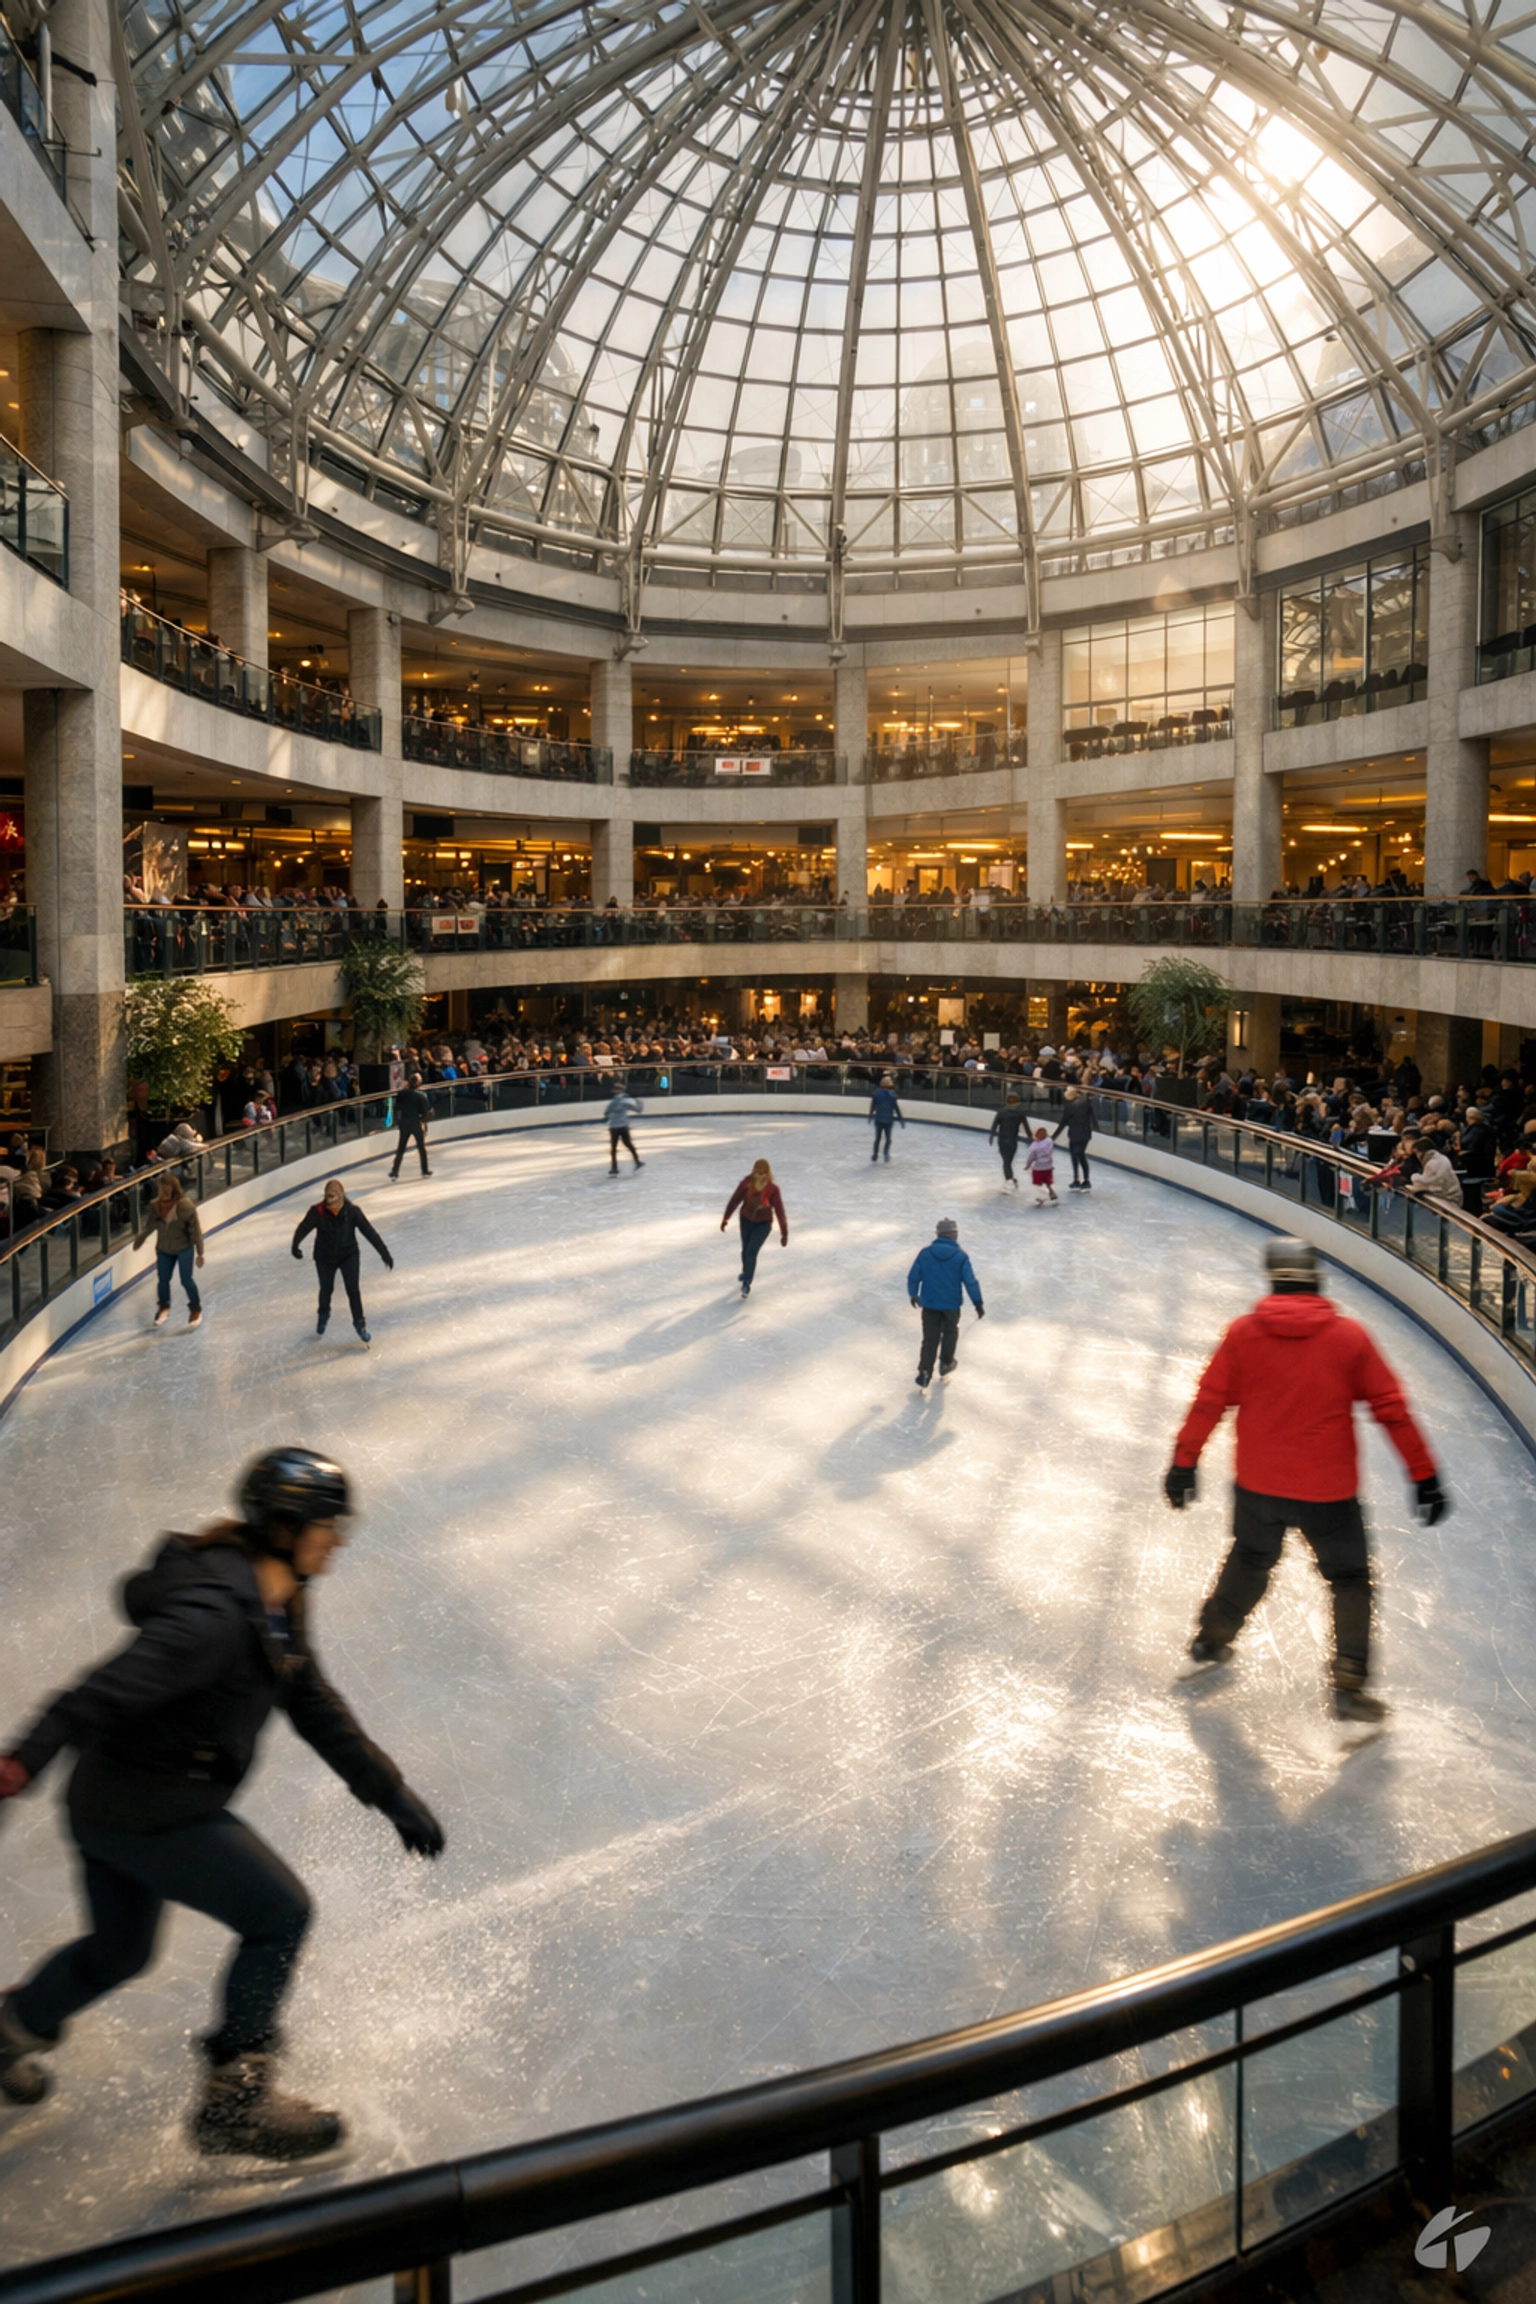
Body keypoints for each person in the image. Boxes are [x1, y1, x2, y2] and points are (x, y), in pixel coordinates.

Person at [0, 1449, 444, 2156]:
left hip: (112, 1802)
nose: (339, 1539)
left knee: (117, 1952)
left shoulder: (278, 1596)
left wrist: (388, 1792)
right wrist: (16, 1769)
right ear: (285, 1526)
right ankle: (234, 2104)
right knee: (280, 1913)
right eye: (328, 1526)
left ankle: (6, 2033)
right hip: (152, 1809)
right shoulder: (214, 1617)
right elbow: (93, 1697)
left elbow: (312, 1701)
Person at [1164, 1236, 1446, 1723]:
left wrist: (1184, 1462)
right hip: (1328, 1492)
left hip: (1258, 1485)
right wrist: (1424, 1476)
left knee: (1251, 1558)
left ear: (1274, 1279)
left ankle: (1213, 1637)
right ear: (1315, 1278)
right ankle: (1350, 1680)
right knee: (1350, 1578)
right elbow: (1391, 1410)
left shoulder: (1244, 1334)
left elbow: (1209, 1401)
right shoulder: (1350, 1337)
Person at [291, 1179, 394, 1344]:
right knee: (326, 1289)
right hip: (324, 1257)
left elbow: (369, 1232)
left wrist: (384, 1253)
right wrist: (295, 1244)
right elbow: (304, 1227)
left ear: (342, 1199)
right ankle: (323, 1315)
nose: (333, 1209)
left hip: (349, 1255)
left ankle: (360, 1324)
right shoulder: (317, 1212)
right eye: (330, 1206)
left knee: (353, 1290)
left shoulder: (352, 1212)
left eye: (336, 1206)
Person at [907, 1216, 984, 1389]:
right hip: (951, 1305)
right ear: (954, 1235)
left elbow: (914, 1276)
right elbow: (970, 1281)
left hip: (930, 1304)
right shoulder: (960, 1256)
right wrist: (978, 1303)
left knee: (929, 1340)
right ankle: (946, 1362)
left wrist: (913, 1294)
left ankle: (924, 1372)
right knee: (950, 1333)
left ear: (938, 1234)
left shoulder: (925, 1253)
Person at [133, 1176, 206, 1329]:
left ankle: (195, 1309)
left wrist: (200, 1252)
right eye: (162, 1189)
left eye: (167, 1189)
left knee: (186, 1280)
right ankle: (163, 1307)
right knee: (163, 1279)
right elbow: (150, 1226)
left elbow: (195, 1231)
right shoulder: (155, 1206)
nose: (164, 1193)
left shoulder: (185, 1207)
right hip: (165, 1249)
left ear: (174, 1189)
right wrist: (141, 1238)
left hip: (184, 1248)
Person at [720, 1157, 788, 1297]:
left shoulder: (772, 1189)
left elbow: (779, 1210)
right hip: (746, 1220)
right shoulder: (747, 1183)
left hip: (763, 1224)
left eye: (762, 1172)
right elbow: (735, 1200)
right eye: (757, 1171)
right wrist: (726, 1217)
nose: (759, 1174)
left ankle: (746, 1282)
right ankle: (747, 1273)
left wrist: (784, 1232)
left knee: (751, 1251)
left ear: (767, 1173)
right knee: (745, 1250)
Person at [387, 1072, 432, 1180]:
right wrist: (422, 1120)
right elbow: (426, 1112)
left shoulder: (401, 1094)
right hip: (415, 1123)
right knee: (421, 1148)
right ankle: (424, 1171)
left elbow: (396, 1107)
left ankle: (394, 1171)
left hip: (404, 1123)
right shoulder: (420, 1096)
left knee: (401, 1148)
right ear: (418, 1084)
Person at [1053, 1088, 1096, 1189]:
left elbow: (1063, 1123)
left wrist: (1053, 1137)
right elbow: (1092, 1118)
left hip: (1074, 1135)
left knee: (1075, 1156)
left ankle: (1077, 1179)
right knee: (1080, 1155)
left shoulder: (1070, 1107)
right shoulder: (1086, 1103)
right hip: (1085, 1134)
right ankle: (1085, 1180)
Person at [604, 1085, 644, 1174]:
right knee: (629, 1145)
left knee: (613, 1148)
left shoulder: (613, 1102)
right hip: (623, 1126)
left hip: (614, 1127)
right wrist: (639, 1102)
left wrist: (612, 1117)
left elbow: (606, 1113)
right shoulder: (625, 1101)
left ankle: (614, 1168)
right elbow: (639, 1110)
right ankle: (637, 1162)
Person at [988, 1094, 1024, 1189]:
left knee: (1006, 1162)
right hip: (1013, 1142)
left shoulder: (1001, 1112)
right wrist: (1033, 1140)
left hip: (1002, 1141)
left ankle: (1010, 1180)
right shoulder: (1020, 1114)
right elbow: (1027, 1129)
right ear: (1017, 1103)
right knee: (1008, 1162)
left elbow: (994, 1126)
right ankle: (1011, 1179)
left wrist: (991, 1136)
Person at [869, 1075, 905, 1163]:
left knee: (877, 1138)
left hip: (879, 1119)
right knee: (888, 1139)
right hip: (888, 1120)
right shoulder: (892, 1096)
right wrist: (901, 1120)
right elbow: (896, 1108)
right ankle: (885, 1154)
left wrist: (870, 1116)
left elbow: (873, 1106)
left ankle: (875, 1154)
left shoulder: (877, 1094)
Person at [1024, 1125, 1058, 1205]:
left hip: (1038, 1167)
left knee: (1039, 1183)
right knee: (1047, 1181)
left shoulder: (1035, 1145)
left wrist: (1028, 1165)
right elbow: (1050, 1152)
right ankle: (1051, 1192)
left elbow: (1031, 1156)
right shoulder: (1049, 1141)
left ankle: (1042, 1196)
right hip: (1048, 1166)